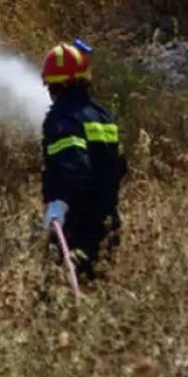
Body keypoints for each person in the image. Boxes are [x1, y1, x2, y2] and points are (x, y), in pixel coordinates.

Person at [39, 38, 127, 283]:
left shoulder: (62, 118)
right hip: (109, 222)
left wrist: (59, 203)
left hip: (77, 228)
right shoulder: (103, 115)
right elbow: (119, 166)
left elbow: (73, 165)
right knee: (101, 290)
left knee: (63, 291)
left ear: (57, 86)